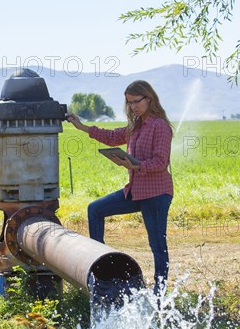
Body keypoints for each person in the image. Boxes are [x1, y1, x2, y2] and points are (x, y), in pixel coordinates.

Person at [67, 80, 174, 295]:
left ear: (149, 98)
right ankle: (101, 268)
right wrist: (82, 127)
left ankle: (160, 294)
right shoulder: (136, 126)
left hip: (156, 193)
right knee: (95, 209)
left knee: (157, 244)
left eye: (136, 102)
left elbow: (161, 162)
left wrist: (135, 165)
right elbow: (112, 136)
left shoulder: (159, 126)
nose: (133, 106)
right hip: (135, 191)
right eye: (129, 103)